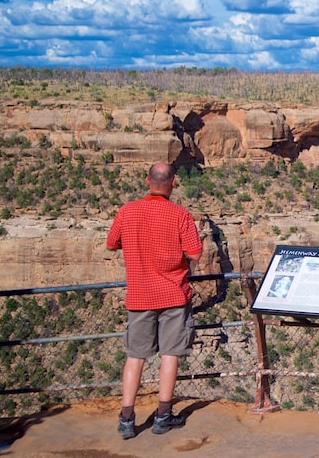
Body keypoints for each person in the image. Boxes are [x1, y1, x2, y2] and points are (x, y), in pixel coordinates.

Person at [106, 163, 203, 440]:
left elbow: (112, 243)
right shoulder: (181, 215)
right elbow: (195, 254)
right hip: (174, 294)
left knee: (135, 357)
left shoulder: (127, 211)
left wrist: (137, 244)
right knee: (170, 354)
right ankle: (163, 416)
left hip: (139, 295)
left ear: (148, 181)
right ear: (173, 182)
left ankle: (126, 419)